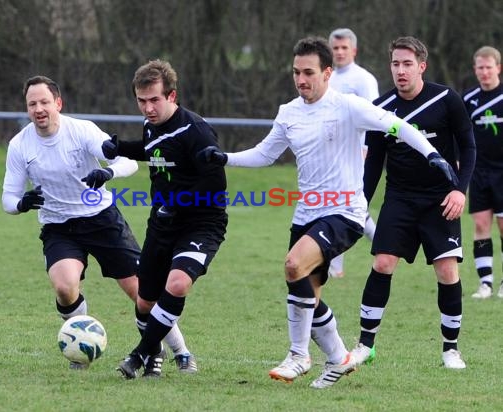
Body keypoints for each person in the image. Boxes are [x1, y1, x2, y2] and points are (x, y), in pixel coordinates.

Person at [199, 36, 458, 388]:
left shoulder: (348, 106)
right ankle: (339, 358)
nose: (301, 80)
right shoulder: (288, 112)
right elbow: (265, 154)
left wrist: (432, 154)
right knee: (307, 291)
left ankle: (298, 355)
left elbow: (398, 126)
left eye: (308, 73)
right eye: (295, 73)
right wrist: (225, 158)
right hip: (306, 214)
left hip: (345, 213)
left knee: (293, 264)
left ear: (327, 73)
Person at [2, 75, 193, 371]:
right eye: (32, 104)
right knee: (65, 288)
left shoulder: (81, 131)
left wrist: (108, 173)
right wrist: (21, 204)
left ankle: (181, 352)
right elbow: (8, 199)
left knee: (141, 291)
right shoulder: (20, 145)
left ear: (58, 103)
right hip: (59, 227)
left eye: (44, 102)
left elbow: (127, 161)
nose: (39, 109)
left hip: (102, 220)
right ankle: (81, 344)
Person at [349, 36, 476, 373]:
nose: (400, 71)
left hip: (441, 199)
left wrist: (460, 190)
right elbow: (374, 161)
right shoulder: (381, 107)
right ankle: (365, 345)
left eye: (407, 64)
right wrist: (360, 202)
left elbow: (469, 148)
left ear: (422, 66)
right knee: (383, 263)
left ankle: (451, 349)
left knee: (448, 271)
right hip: (400, 198)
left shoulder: (447, 99)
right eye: (395, 64)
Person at [101, 59, 228, 379]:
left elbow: (215, 181)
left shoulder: (195, 130)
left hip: (202, 223)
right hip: (161, 222)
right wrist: (121, 148)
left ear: (172, 96)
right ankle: (154, 356)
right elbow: (154, 149)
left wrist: (180, 202)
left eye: (154, 100)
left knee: (179, 283)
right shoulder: (151, 125)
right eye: (141, 101)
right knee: (145, 302)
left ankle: (139, 354)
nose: (148, 108)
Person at [328, 27, 380, 278]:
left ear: (354, 50)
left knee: (343, 205)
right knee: (342, 204)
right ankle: (382, 242)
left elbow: (373, 118)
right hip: (331, 154)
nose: (339, 52)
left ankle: (335, 267)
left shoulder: (363, 79)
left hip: (356, 155)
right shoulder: (327, 77)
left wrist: (366, 150)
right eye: (335, 48)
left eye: (343, 48)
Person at [462, 46, 503, 299]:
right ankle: (485, 283)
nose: (485, 72)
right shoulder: (468, 100)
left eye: (489, 67)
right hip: (479, 171)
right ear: (475, 70)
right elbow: (461, 136)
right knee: (480, 225)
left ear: (498, 68)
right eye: (480, 68)